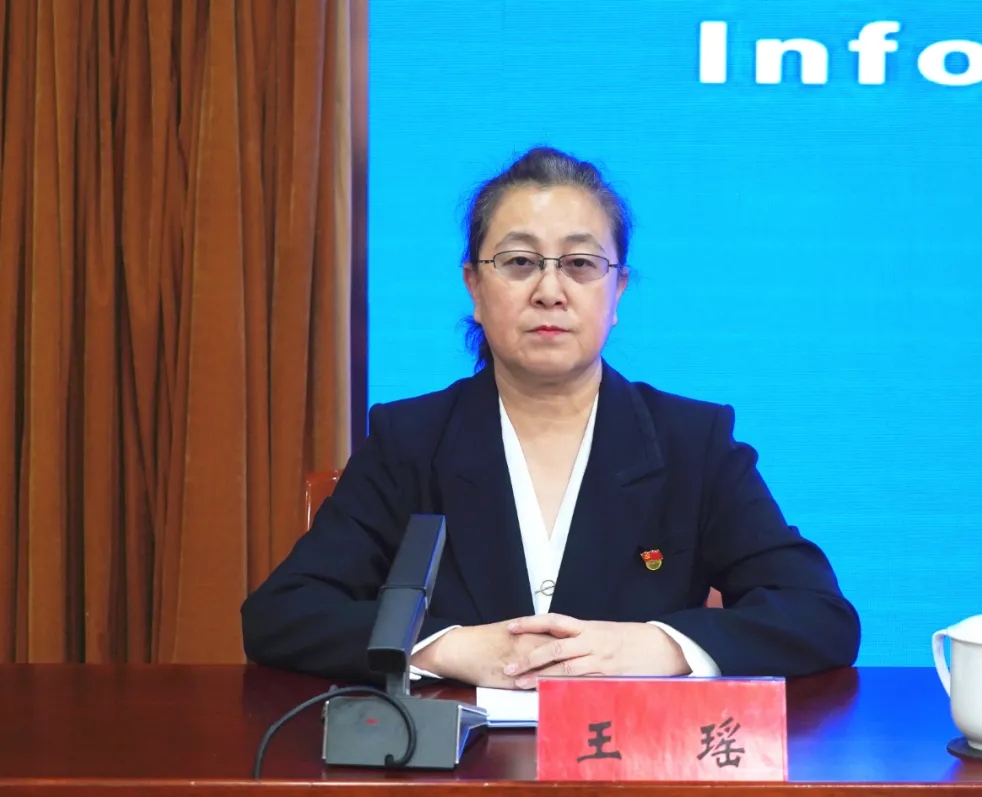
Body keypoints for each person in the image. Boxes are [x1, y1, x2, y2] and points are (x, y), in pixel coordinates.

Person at [241, 146, 860, 689]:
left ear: (617, 292)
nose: (549, 290)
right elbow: (282, 614)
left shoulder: (692, 442)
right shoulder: (410, 440)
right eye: (518, 262)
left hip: (631, 762)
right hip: (459, 762)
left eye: (580, 264)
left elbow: (819, 616)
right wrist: (447, 647)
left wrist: (656, 646)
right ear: (474, 288)